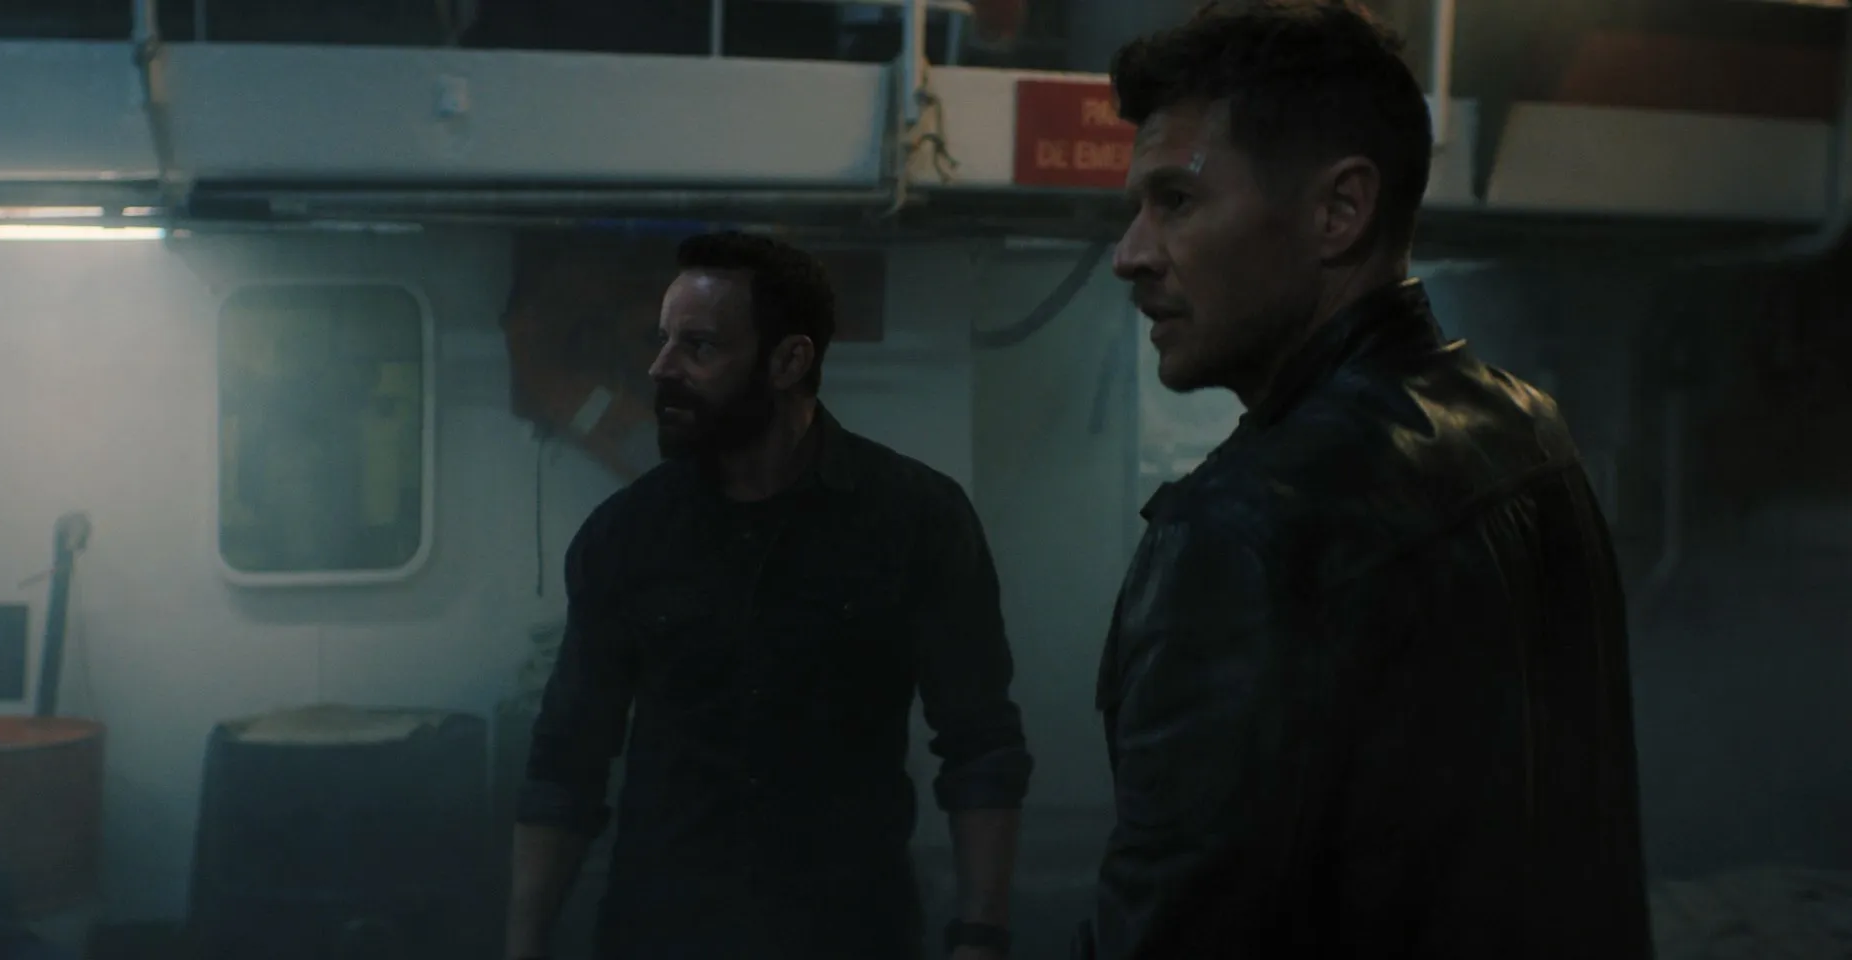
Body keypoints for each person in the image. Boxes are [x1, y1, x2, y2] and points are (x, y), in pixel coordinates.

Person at [1084, 3, 1653, 959]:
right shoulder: (1528, 431)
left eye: (1175, 201)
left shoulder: (1246, 532)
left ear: (1339, 212)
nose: (1128, 254)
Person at [507, 231, 1032, 960]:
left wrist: (981, 935)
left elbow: (980, 744)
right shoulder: (626, 536)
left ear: (789, 361)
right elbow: (567, 760)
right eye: (662, 341)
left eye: (698, 346)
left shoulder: (914, 519)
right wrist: (523, 948)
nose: (661, 368)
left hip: (849, 936)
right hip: (663, 937)